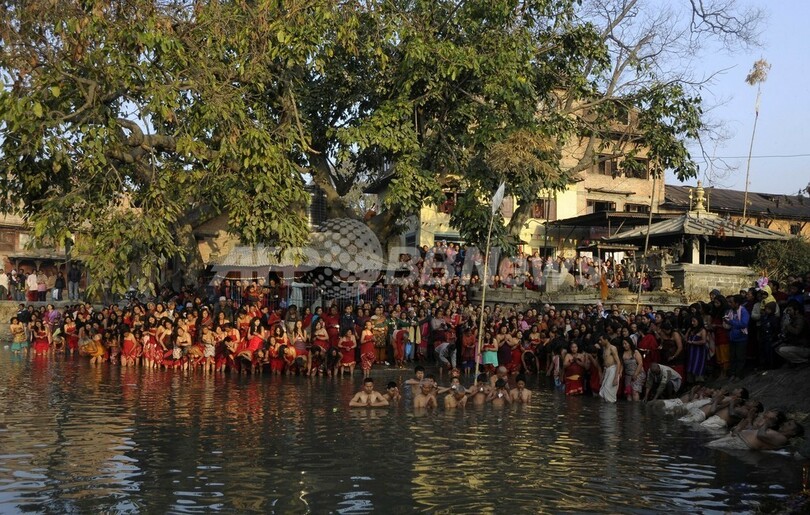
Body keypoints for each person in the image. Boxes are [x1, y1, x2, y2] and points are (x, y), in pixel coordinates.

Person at [707, 419, 804, 451]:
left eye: (789, 425)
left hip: (741, 443)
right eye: (787, 422)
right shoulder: (778, 434)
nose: (785, 424)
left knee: (709, 446)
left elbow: (760, 436)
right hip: (737, 438)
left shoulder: (782, 438)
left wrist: (767, 424)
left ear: (793, 432)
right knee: (708, 445)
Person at [725, 294, 750, 379]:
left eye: (731, 302)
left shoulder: (743, 311)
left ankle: (739, 375)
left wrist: (731, 322)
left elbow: (744, 324)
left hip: (741, 338)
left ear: (737, 303)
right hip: (732, 338)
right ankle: (732, 374)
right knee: (732, 357)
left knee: (740, 357)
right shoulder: (730, 311)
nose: (729, 304)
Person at [597, 334, 622, 403]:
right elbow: (605, 365)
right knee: (602, 393)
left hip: (613, 370)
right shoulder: (604, 349)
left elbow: (618, 362)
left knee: (609, 393)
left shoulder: (612, 348)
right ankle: (605, 412)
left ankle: (610, 411)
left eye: (601, 340)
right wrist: (602, 377)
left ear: (606, 340)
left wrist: (616, 377)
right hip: (607, 370)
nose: (599, 341)